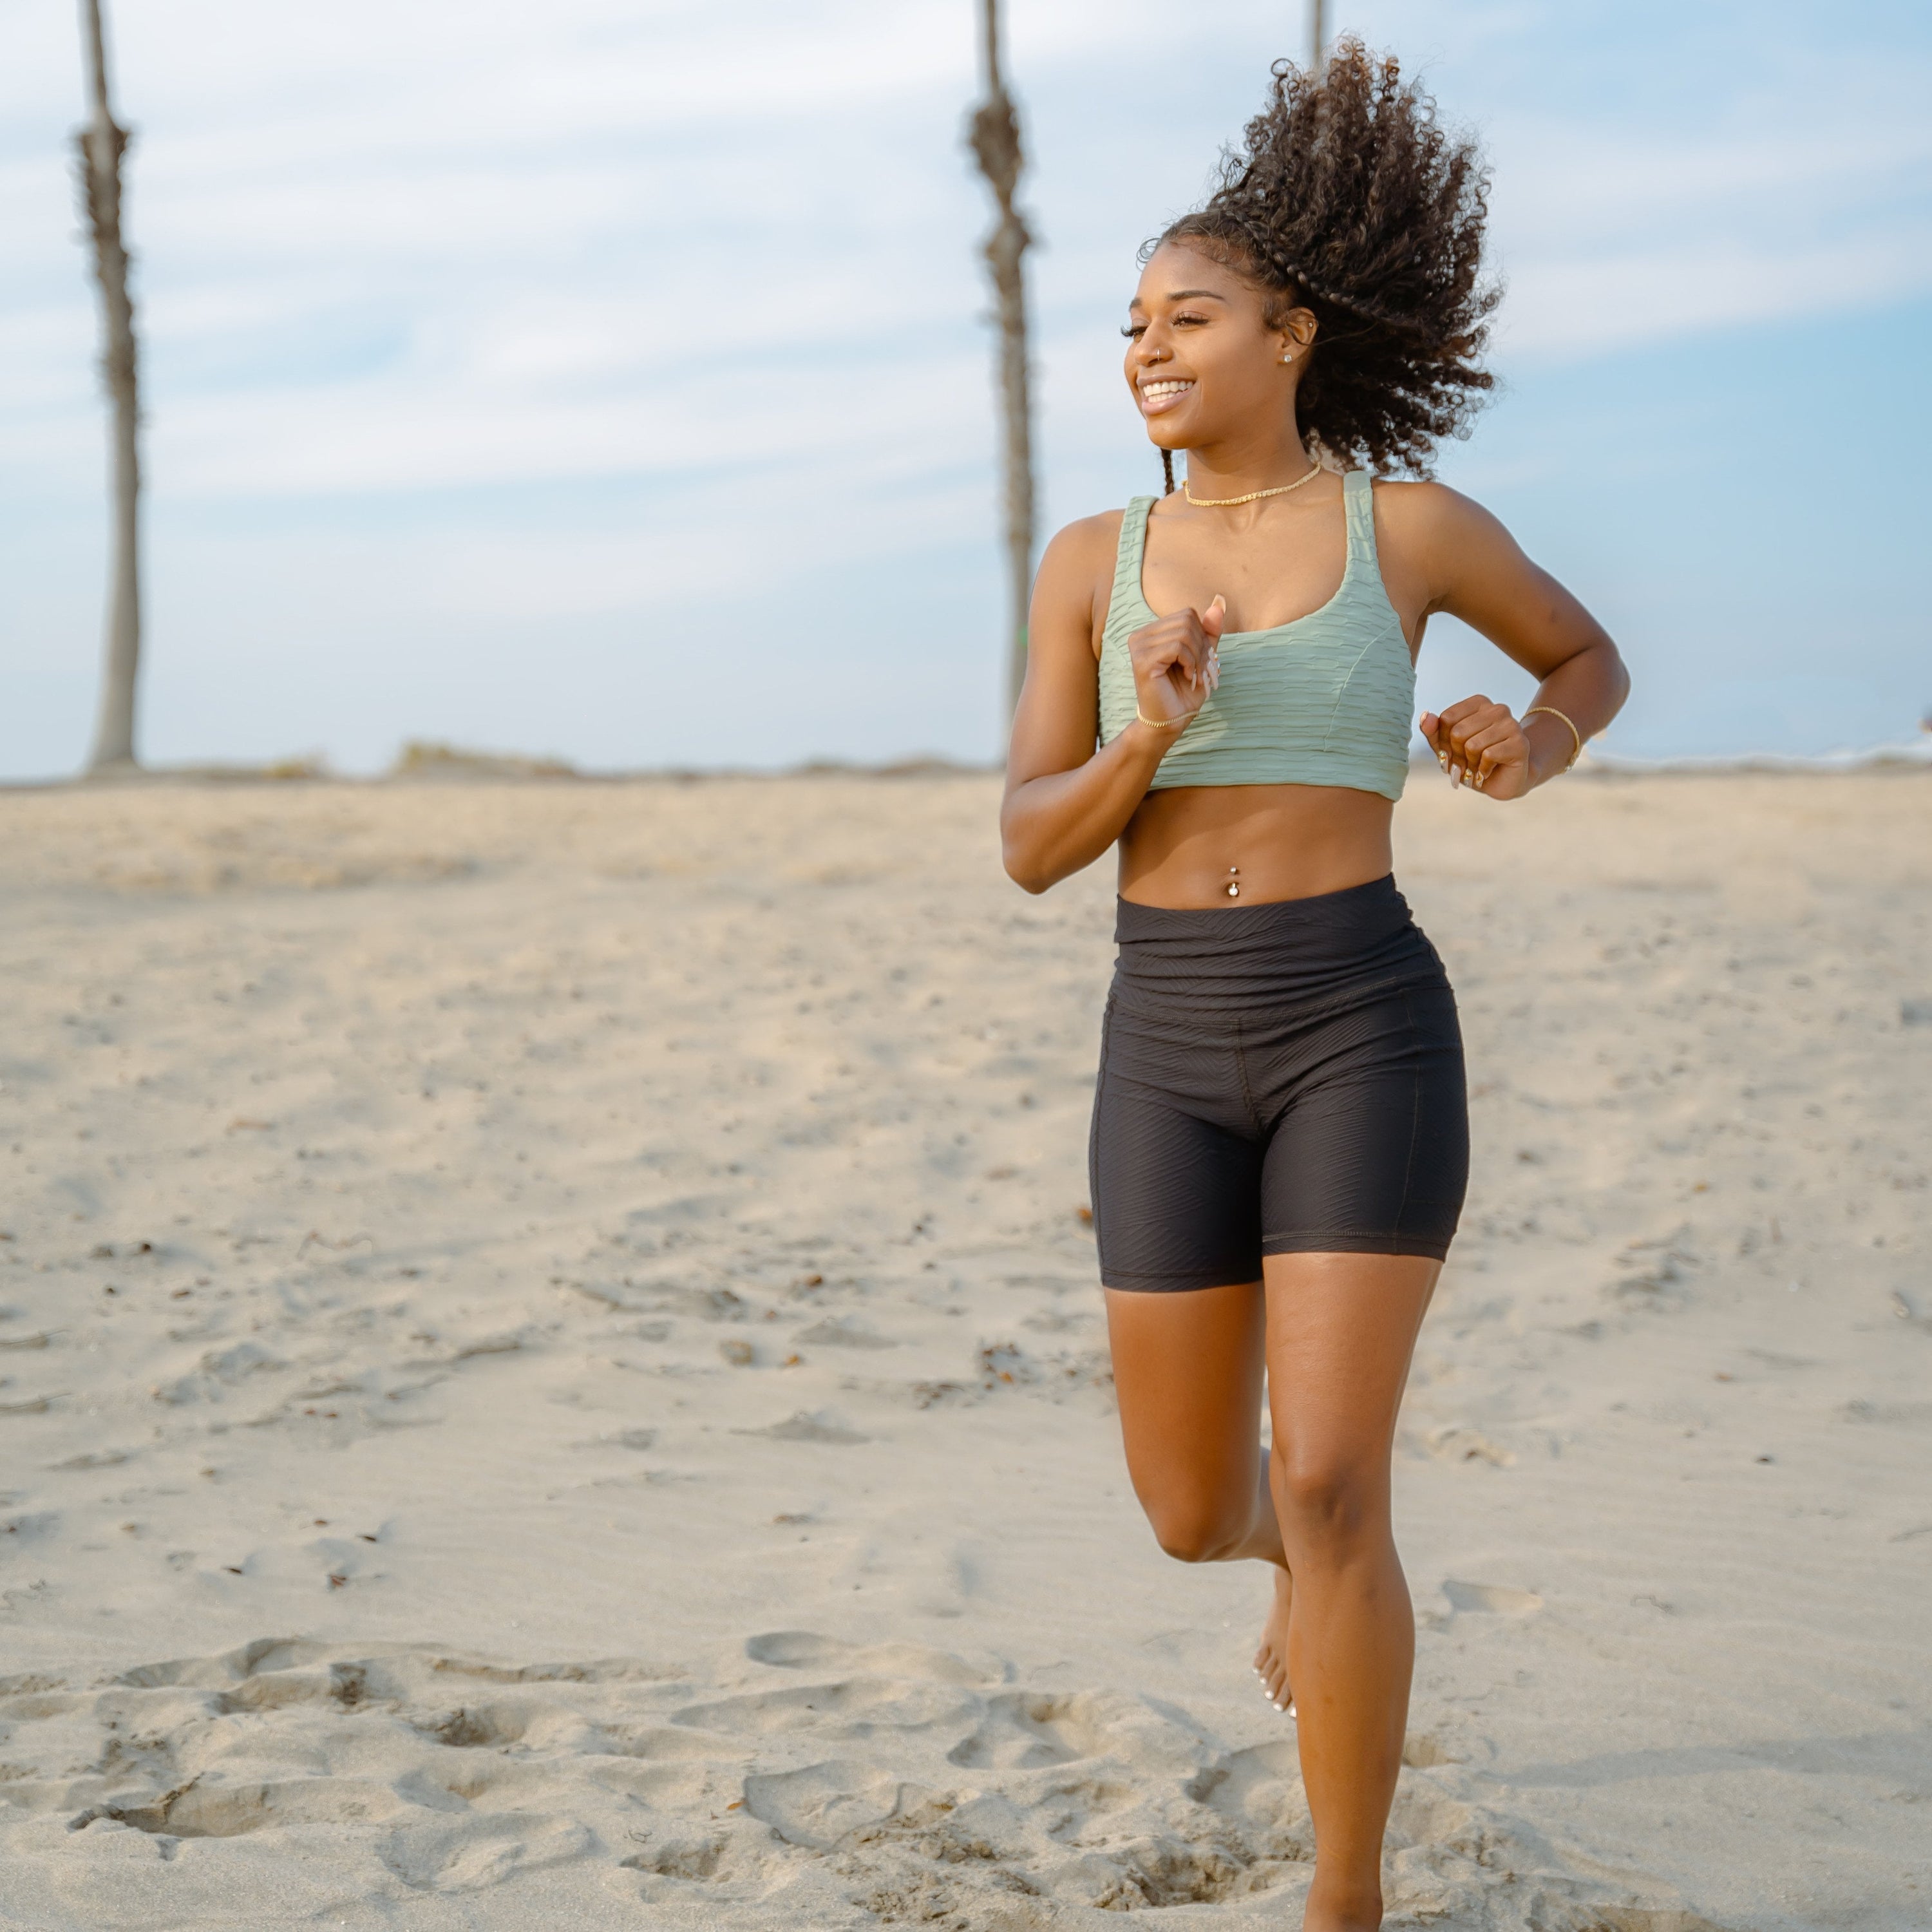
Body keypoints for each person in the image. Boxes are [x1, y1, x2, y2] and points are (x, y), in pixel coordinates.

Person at [999, 41, 1629, 1931]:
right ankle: (1293, 1559)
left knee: (1341, 1484)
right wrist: (1142, 733)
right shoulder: (1092, 564)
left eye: (1185, 315)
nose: (1146, 350)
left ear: (1294, 327)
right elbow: (1032, 842)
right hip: (1166, 1036)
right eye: (1128, 328)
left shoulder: (1405, 531)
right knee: (1201, 1507)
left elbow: (1586, 652)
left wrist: (1536, 738)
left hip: (1361, 1016)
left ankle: (1341, 1898)